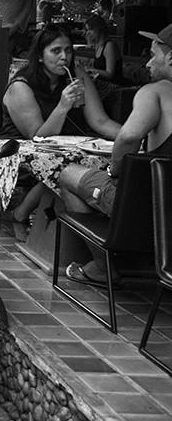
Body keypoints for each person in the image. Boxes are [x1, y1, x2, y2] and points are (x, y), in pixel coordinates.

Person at [59, 23, 172, 285]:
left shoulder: (154, 92)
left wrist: (115, 172)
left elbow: (129, 137)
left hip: (149, 207)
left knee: (68, 174)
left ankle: (103, 266)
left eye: (153, 56)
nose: (147, 64)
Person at [0, 25, 121, 237]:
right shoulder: (21, 85)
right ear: (40, 56)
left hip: (65, 150)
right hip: (21, 152)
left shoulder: (75, 75)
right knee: (69, 164)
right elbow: (36, 135)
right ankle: (21, 212)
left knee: (92, 159)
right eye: (56, 51)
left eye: (68, 50)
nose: (64, 57)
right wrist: (63, 106)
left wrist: (133, 136)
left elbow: (99, 121)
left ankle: (85, 232)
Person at [83, 14, 122, 99]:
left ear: (99, 29)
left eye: (91, 29)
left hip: (113, 86)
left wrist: (90, 70)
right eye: (87, 30)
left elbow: (109, 74)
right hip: (102, 83)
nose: (88, 32)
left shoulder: (109, 45)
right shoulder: (98, 46)